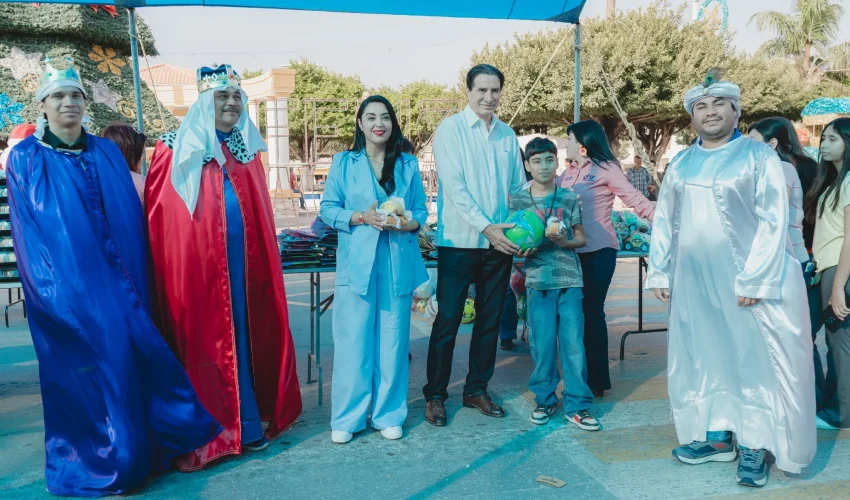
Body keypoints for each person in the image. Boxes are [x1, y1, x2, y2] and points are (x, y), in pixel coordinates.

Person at [6, 58, 220, 496]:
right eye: (59, 97)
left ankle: (145, 453)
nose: (68, 103)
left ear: (86, 104)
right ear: (43, 106)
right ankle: (100, 463)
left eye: (75, 96)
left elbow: (130, 217)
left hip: (125, 282)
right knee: (88, 375)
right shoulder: (27, 159)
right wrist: (48, 294)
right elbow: (30, 231)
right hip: (67, 288)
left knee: (138, 361)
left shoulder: (104, 152)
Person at [646, 72, 815, 488]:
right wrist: (661, 270)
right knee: (704, 354)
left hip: (750, 283)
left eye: (718, 103)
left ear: (735, 110)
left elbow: (775, 221)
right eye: (700, 106)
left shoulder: (758, 158)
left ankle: (756, 443)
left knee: (751, 358)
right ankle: (718, 436)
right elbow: (665, 219)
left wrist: (755, 280)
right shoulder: (681, 162)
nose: (710, 112)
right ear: (691, 118)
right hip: (695, 282)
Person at [146, 64, 302, 469]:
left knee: (244, 339)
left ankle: (247, 424)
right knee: (205, 343)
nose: (231, 103)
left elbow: (260, 216)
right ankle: (206, 433)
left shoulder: (247, 153)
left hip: (244, 268)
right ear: (204, 102)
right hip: (197, 271)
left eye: (236, 97)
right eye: (222, 97)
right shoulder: (173, 148)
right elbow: (162, 220)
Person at [422, 64, 527, 426]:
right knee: (448, 320)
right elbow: (455, 188)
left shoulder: (507, 135)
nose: (488, 97)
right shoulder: (450, 130)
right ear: (468, 91)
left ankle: (476, 390)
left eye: (495, 90)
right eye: (481, 90)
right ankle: (435, 395)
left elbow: (517, 190)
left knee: (490, 320)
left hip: (500, 245)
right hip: (459, 242)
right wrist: (488, 228)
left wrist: (520, 231)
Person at [320, 96, 428, 444]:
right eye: (371, 117)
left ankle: (388, 414)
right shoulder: (344, 163)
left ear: (393, 123)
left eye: (384, 117)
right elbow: (327, 209)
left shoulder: (409, 165)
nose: (378, 123)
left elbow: (421, 212)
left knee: (393, 342)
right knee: (352, 342)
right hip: (357, 264)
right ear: (360, 123)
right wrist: (360, 217)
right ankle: (348, 418)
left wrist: (406, 222)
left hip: (397, 262)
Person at [557, 120, 655, 397]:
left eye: (570, 138)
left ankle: (597, 380)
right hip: (570, 252)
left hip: (599, 252)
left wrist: (670, 219)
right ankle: (577, 376)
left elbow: (636, 199)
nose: (567, 143)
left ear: (584, 145)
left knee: (591, 312)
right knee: (572, 315)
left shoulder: (607, 169)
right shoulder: (567, 173)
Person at [510, 137, 599, 430]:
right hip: (537, 281)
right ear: (527, 165)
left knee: (574, 344)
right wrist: (523, 251)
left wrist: (564, 241)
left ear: (557, 162)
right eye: (537, 161)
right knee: (543, 345)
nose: (544, 166)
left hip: (569, 281)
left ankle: (578, 404)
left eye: (549, 160)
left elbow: (581, 238)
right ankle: (545, 400)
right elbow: (514, 241)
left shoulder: (569, 197)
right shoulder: (518, 199)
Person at [749, 116, 832, 409]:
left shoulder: (781, 169)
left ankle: (808, 401)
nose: (747, 148)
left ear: (771, 144)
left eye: (753, 141)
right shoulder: (803, 167)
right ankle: (814, 399)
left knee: (795, 337)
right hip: (805, 257)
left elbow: (776, 218)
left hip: (791, 260)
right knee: (800, 337)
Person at [809, 117, 850, 430]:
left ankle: (842, 414)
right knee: (836, 343)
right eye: (823, 138)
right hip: (830, 270)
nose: (824, 144)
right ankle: (836, 407)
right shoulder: (837, 181)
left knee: (840, 345)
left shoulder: (849, 181)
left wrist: (837, 286)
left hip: (840, 271)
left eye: (833, 139)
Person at [500, 148, 533, 351]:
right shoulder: (508, 181)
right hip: (511, 241)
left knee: (514, 290)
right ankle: (511, 332)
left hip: (522, 241)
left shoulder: (526, 183)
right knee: (514, 290)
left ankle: (511, 333)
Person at [102, 122, 147, 202]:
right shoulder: (142, 183)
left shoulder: (92, 179)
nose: (143, 158)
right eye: (142, 152)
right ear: (132, 153)